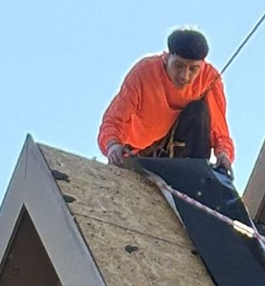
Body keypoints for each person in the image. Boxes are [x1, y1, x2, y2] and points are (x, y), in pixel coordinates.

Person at [98, 27, 235, 175]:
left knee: (199, 111)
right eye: (179, 66)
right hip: (139, 153)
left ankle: (196, 176)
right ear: (167, 57)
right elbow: (114, 120)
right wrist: (113, 146)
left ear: (202, 65)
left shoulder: (210, 78)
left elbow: (219, 128)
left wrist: (223, 155)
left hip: (176, 148)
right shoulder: (144, 73)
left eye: (193, 69)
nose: (184, 76)